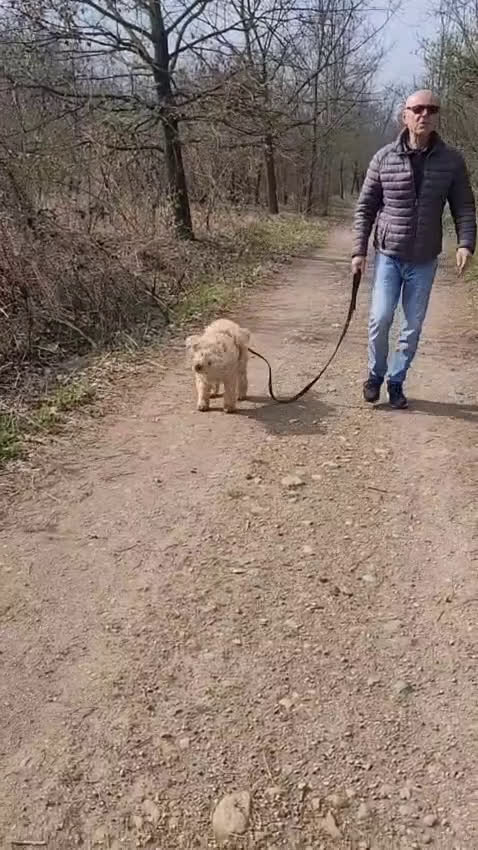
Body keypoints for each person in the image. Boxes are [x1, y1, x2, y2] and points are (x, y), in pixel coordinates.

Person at [351, 89, 476, 409]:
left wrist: (466, 243)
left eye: (432, 109)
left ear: (437, 116)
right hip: (389, 255)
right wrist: (359, 250)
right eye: (417, 109)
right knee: (380, 319)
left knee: (412, 326)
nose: (424, 114)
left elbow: (463, 206)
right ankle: (375, 375)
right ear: (404, 115)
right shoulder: (383, 157)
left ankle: (396, 380)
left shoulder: (451, 160)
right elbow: (365, 207)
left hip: (424, 258)